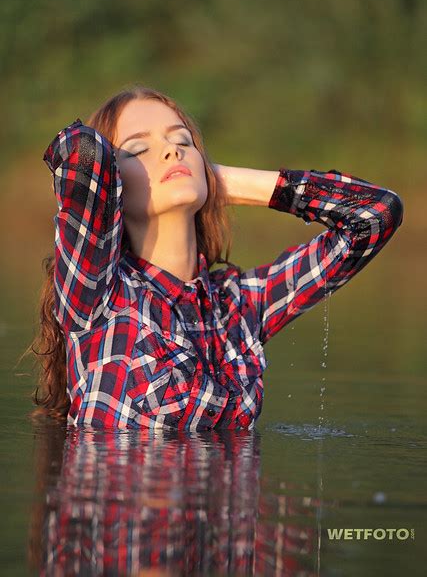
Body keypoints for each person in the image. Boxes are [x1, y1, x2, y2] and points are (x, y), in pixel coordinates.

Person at [26, 84, 404, 430]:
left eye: (183, 141)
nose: (172, 151)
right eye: (138, 150)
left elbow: (375, 215)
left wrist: (217, 180)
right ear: (113, 179)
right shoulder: (97, 294)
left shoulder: (240, 304)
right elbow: (78, 148)